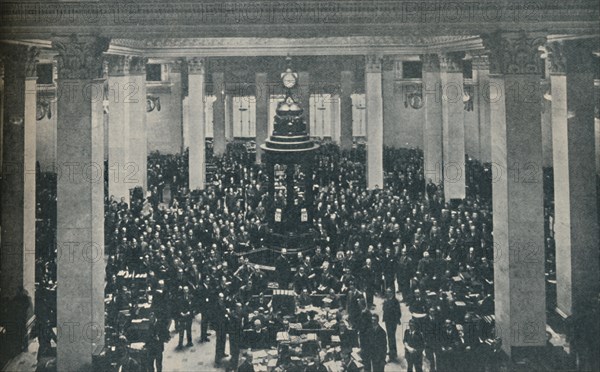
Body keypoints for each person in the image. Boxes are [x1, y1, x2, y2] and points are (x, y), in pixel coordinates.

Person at [382, 288, 401, 361]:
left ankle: (392, 354)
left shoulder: (395, 301)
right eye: (387, 292)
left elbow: (398, 312)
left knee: (391, 337)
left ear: (392, 293)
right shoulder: (387, 300)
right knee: (390, 337)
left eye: (389, 292)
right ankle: (392, 352)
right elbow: (384, 309)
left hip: (392, 322)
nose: (387, 293)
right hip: (387, 321)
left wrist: (396, 320)